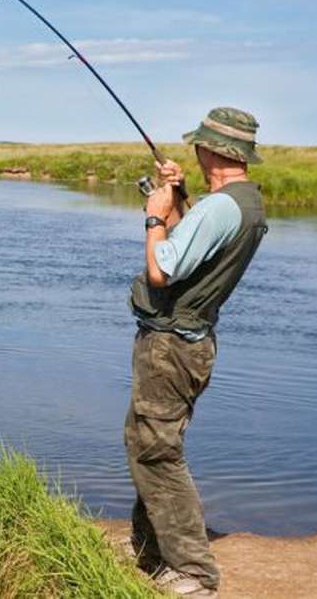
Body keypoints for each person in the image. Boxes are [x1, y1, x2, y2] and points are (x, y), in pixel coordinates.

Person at [124, 107, 269, 597]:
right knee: (145, 440)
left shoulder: (221, 207)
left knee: (158, 451)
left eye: (198, 145)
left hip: (171, 347)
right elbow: (194, 246)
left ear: (213, 151)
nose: (194, 150)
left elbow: (163, 269)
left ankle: (192, 572)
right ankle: (149, 546)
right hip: (187, 342)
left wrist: (154, 215)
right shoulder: (239, 202)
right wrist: (180, 197)